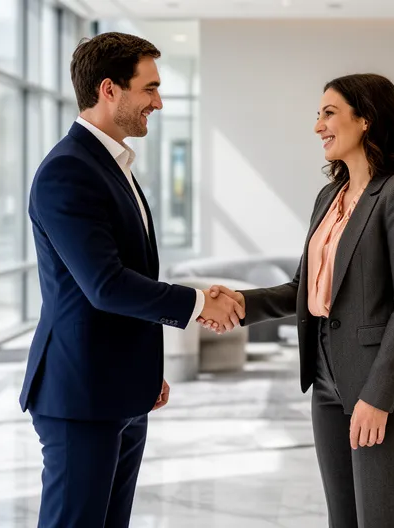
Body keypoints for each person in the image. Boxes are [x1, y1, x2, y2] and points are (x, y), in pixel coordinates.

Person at [19, 32, 244, 528]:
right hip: (80, 396)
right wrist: (198, 302)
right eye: (150, 88)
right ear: (109, 90)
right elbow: (106, 285)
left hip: (117, 389)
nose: (158, 102)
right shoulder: (67, 171)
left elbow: (128, 278)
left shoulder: (113, 165)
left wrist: (141, 372)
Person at [201, 73, 394, 527]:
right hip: (327, 382)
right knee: (342, 520)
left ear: (365, 119)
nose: (318, 126)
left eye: (329, 113)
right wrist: (239, 302)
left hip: (381, 387)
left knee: (380, 520)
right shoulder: (330, 196)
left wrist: (378, 396)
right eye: (318, 115)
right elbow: (302, 288)